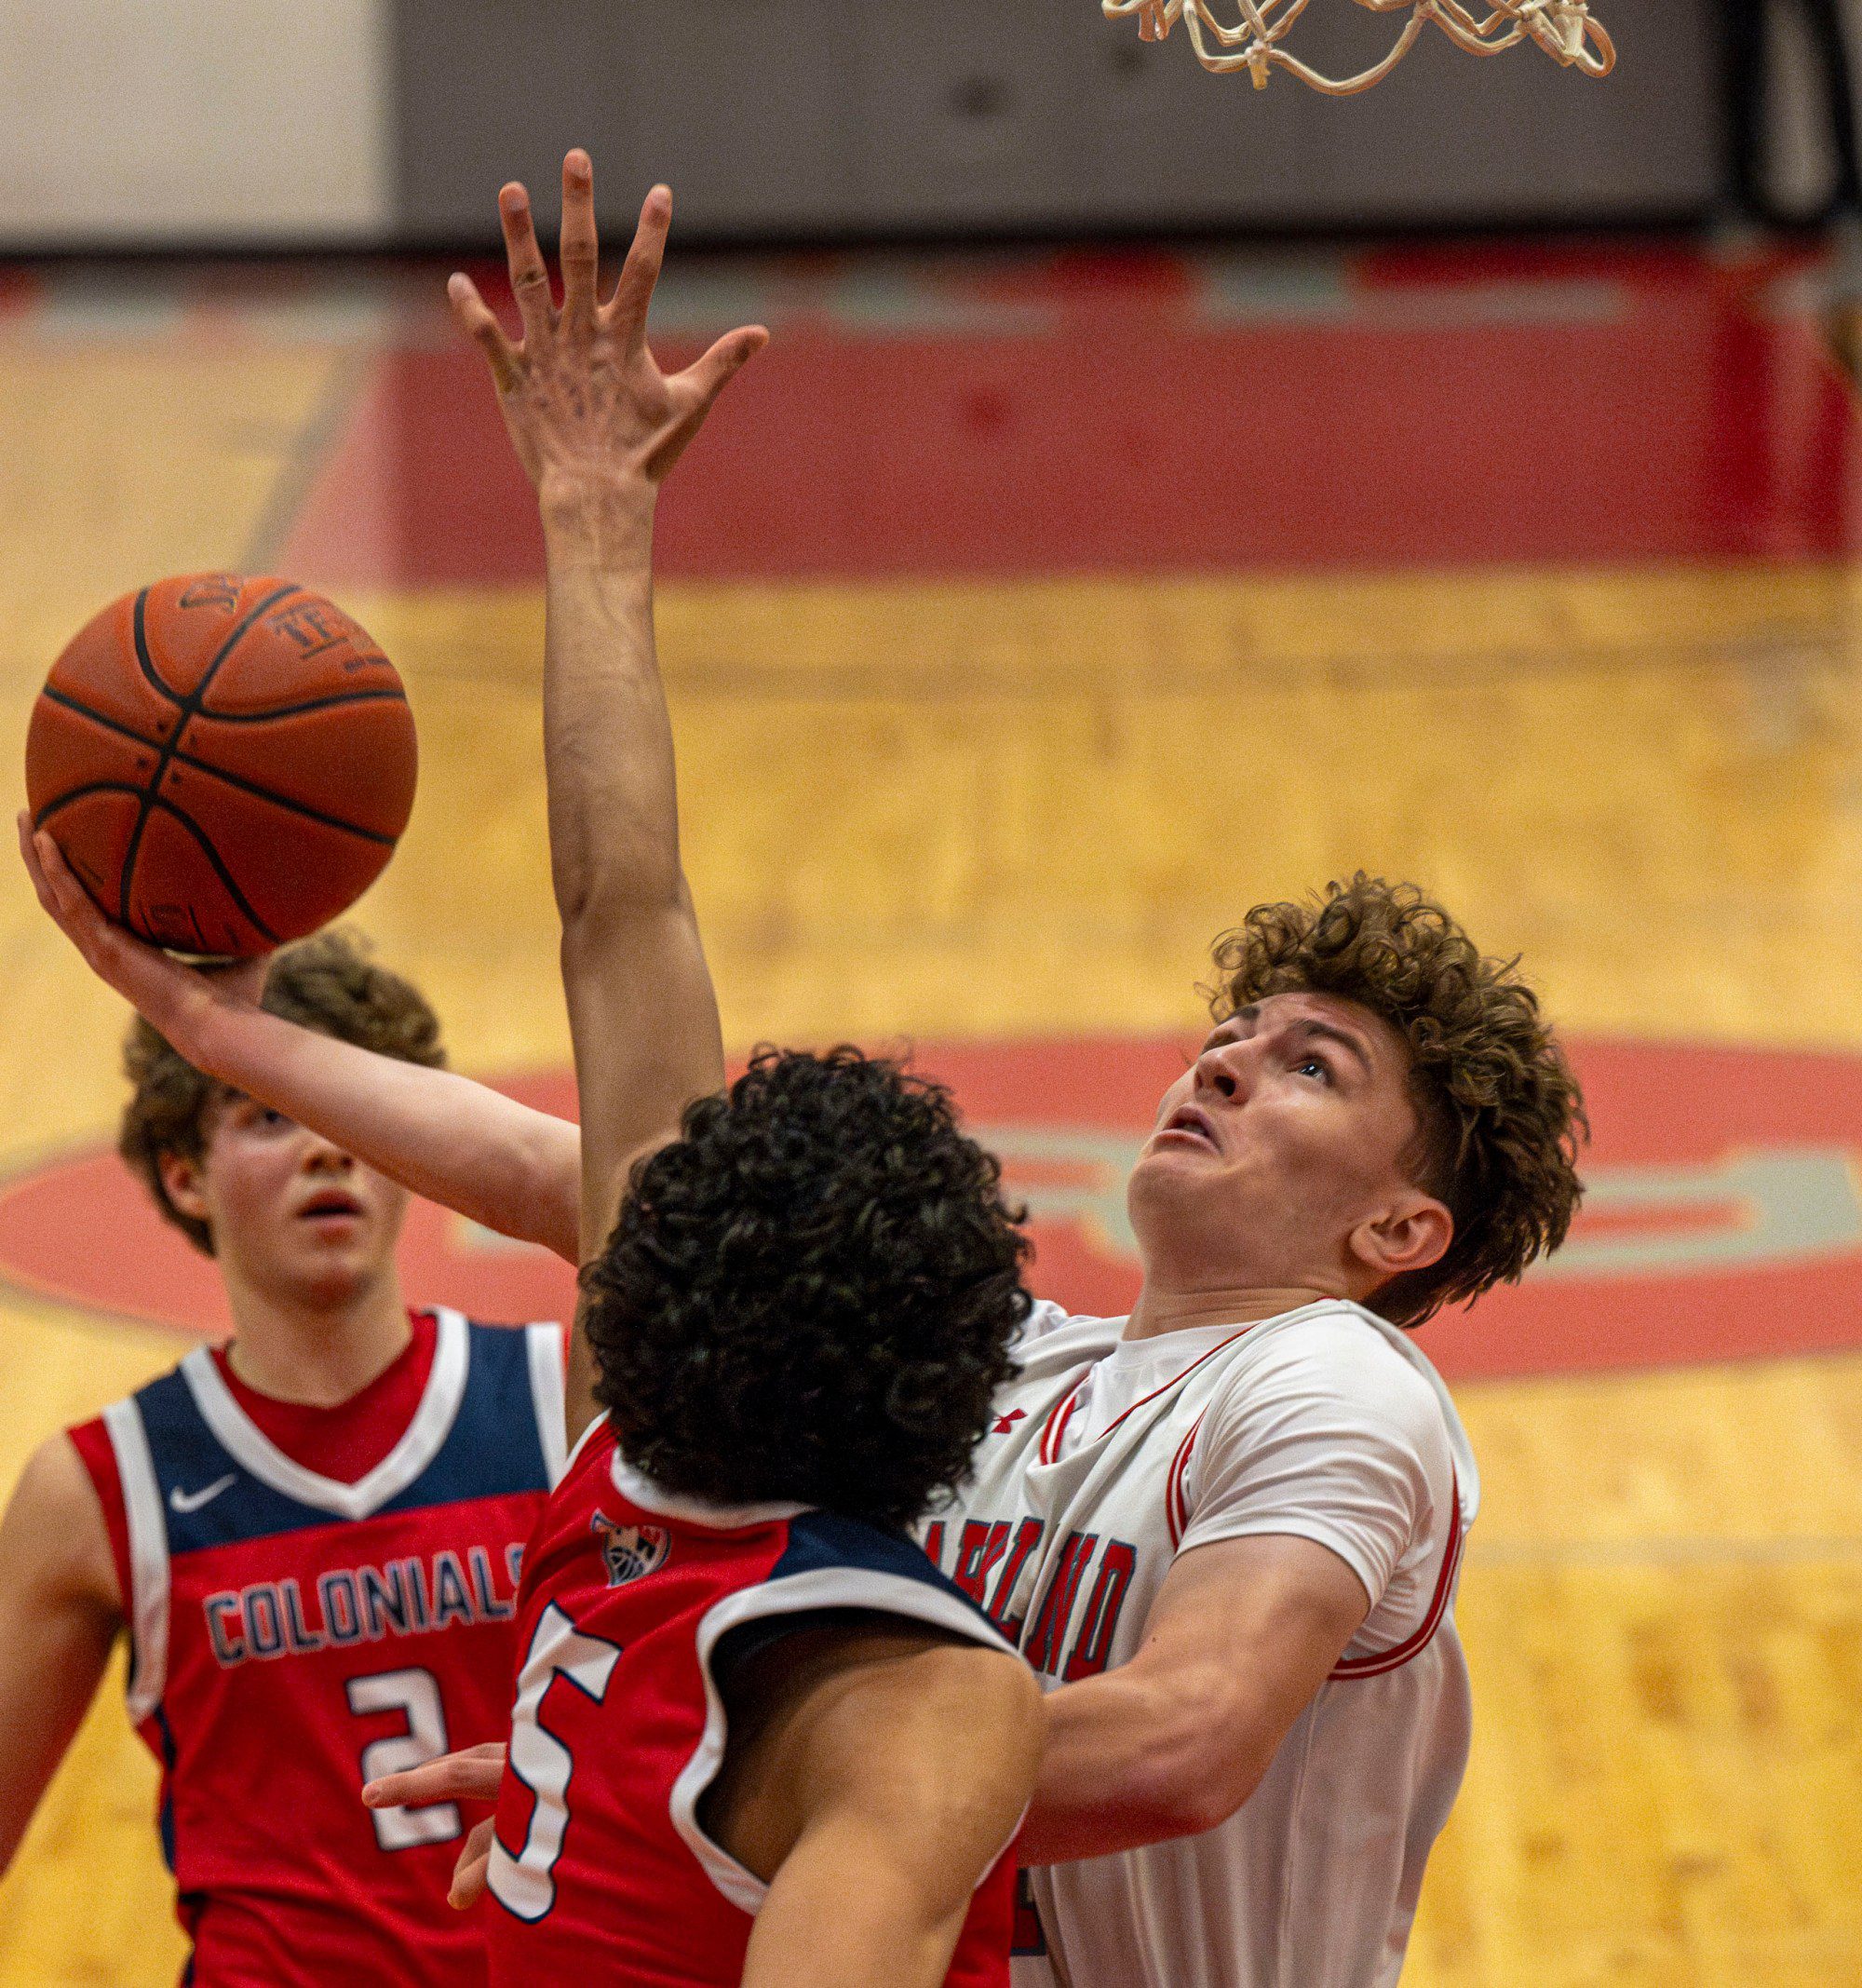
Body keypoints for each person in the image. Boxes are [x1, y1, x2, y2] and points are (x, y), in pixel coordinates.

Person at [22, 150, 1587, 1987]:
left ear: (1406, 1219)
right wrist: (225, 1028)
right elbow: (601, 1152)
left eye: (1309, 1062)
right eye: (1231, 1027)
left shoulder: (1332, 1378)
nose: (1229, 1060)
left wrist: (684, 1771)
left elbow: (1178, 1737)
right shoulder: (1011, 1371)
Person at [0, 931, 568, 1986]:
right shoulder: (98, 1486)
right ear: (183, 1175)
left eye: (359, 1115)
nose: (325, 1147)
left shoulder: (561, 1397)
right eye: (268, 1115)